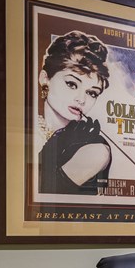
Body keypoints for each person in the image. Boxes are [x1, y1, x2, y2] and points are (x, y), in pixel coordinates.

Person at [37, 30, 112, 195]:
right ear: (45, 78)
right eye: (72, 84)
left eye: (92, 92)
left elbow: (43, 195)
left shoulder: (95, 148)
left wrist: (59, 142)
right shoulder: (25, 130)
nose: (81, 100)